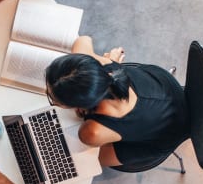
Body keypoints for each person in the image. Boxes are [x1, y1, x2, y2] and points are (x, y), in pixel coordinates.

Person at [45, 36, 190, 170]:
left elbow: (95, 150)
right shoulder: (105, 65)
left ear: (78, 105)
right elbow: (83, 40)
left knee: (87, 160)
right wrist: (104, 60)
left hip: (165, 136)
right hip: (166, 88)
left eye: (52, 99)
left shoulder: (91, 132)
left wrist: (88, 115)